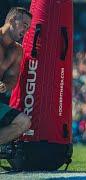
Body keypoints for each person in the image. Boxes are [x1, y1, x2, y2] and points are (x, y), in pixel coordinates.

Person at [0, 7, 32, 148]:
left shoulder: (18, 50)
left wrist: (5, 85)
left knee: (24, 122)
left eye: (28, 28)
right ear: (12, 20)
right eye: (24, 25)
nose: (26, 31)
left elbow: (12, 78)